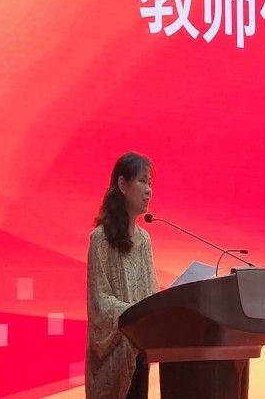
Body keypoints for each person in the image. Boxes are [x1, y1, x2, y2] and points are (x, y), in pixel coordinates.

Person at [85, 152, 158, 399]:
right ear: (123, 184)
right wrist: (136, 313)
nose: (148, 190)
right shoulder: (100, 239)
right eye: (142, 181)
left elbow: (151, 294)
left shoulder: (145, 240)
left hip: (139, 351)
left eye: (150, 183)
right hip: (113, 357)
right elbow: (100, 302)